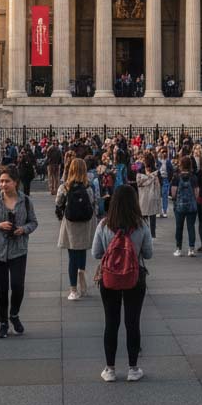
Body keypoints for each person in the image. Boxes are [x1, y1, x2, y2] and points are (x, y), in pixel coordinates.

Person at [92, 184, 153, 382]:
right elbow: (148, 254)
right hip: (134, 279)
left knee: (111, 322)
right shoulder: (141, 225)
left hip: (109, 279)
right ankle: (133, 369)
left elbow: (96, 253)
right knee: (132, 323)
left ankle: (109, 369)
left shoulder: (104, 225)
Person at [0, 166, 38, 338]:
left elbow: (33, 222)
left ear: (16, 182)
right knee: (1, 289)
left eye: (7, 181)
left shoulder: (26, 201)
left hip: (18, 250)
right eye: (1, 181)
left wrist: (23, 229)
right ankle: (3, 323)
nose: (3, 184)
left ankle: (14, 314)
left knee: (17, 286)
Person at [57, 157, 97, 301]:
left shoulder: (65, 186)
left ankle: (73, 289)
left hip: (71, 223)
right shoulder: (89, 186)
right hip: (85, 222)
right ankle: (82, 283)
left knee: (72, 256)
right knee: (82, 253)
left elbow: (58, 202)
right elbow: (94, 202)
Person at [169, 155, 199, 257]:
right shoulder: (193, 177)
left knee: (179, 227)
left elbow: (173, 192)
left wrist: (175, 198)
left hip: (179, 206)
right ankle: (191, 249)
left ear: (181, 165)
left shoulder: (176, 177)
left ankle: (178, 249)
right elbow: (196, 193)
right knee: (191, 227)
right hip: (191, 206)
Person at [135, 152, 161, 238]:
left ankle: (144, 234)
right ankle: (152, 234)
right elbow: (160, 184)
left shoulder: (140, 170)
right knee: (152, 216)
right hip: (152, 196)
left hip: (143, 196)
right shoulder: (156, 172)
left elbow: (138, 182)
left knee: (143, 216)